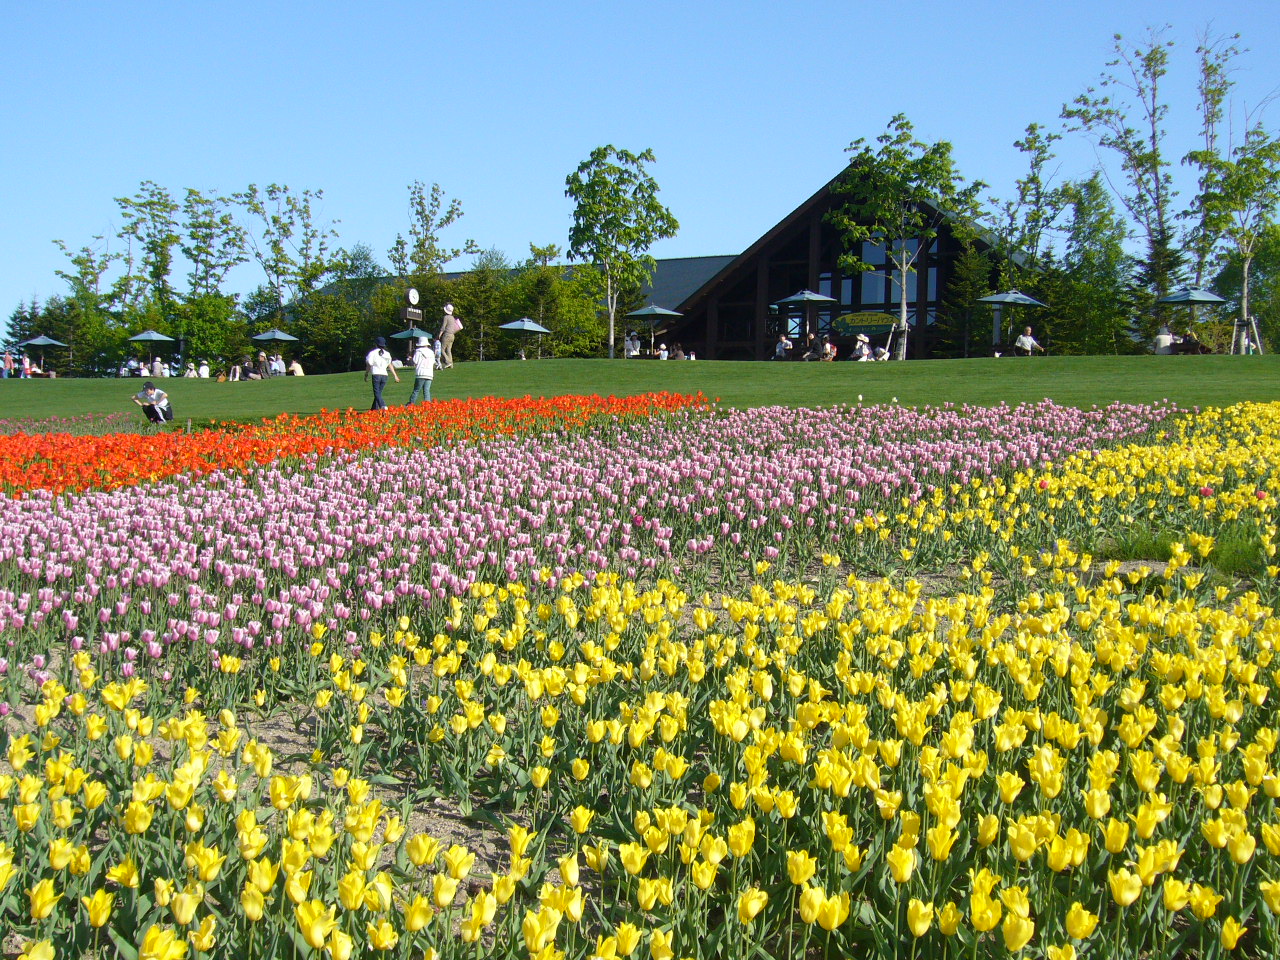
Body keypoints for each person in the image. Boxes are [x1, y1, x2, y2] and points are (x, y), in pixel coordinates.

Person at [365, 336, 400, 410]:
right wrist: (395, 375)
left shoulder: (372, 353)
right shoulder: (387, 354)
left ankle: (383, 405)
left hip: (376, 374)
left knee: (377, 393)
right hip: (384, 374)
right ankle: (374, 409)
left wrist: (366, 374)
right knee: (379, 393)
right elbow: (390, 365)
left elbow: (369, 364)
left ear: (376, 344)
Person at [406, 336, 435, 405]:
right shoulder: (431, 352)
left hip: (420, 373)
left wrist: (410, 358)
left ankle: (411, 403)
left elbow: (415, 361)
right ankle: (427, 405)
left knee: (416, 390)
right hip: (429, 373)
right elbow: (433, 362)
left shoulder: (418, 351)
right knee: (426, 390)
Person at [437, 303, 462, 368]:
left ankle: (448, 362)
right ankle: (451, 365)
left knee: (442, 349)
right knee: (448, 350)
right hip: (452, 335)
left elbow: (443, 327)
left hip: (447, 335)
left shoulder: (446, 317)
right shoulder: (453, 318)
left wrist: (439, 335)